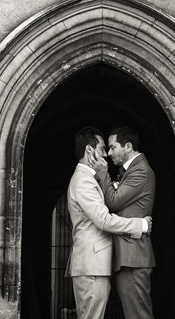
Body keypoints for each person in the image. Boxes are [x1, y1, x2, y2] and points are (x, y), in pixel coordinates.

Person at [66, 126, 151, 319]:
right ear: (90, 150)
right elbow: (103, 220)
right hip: (91, 264)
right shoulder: (83, 181)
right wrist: (140, 225)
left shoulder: (88, 178)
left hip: (94, 264)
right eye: (103, 149)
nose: (106, 154)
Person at [97, 125, 155, 319]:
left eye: (113, 147)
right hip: (128, 257)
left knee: (138, 315)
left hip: (133, 257)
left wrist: (103, 173)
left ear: (128, 146)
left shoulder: (141, 171)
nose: (109, 153)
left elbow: (113, 201)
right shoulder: (130, 171)